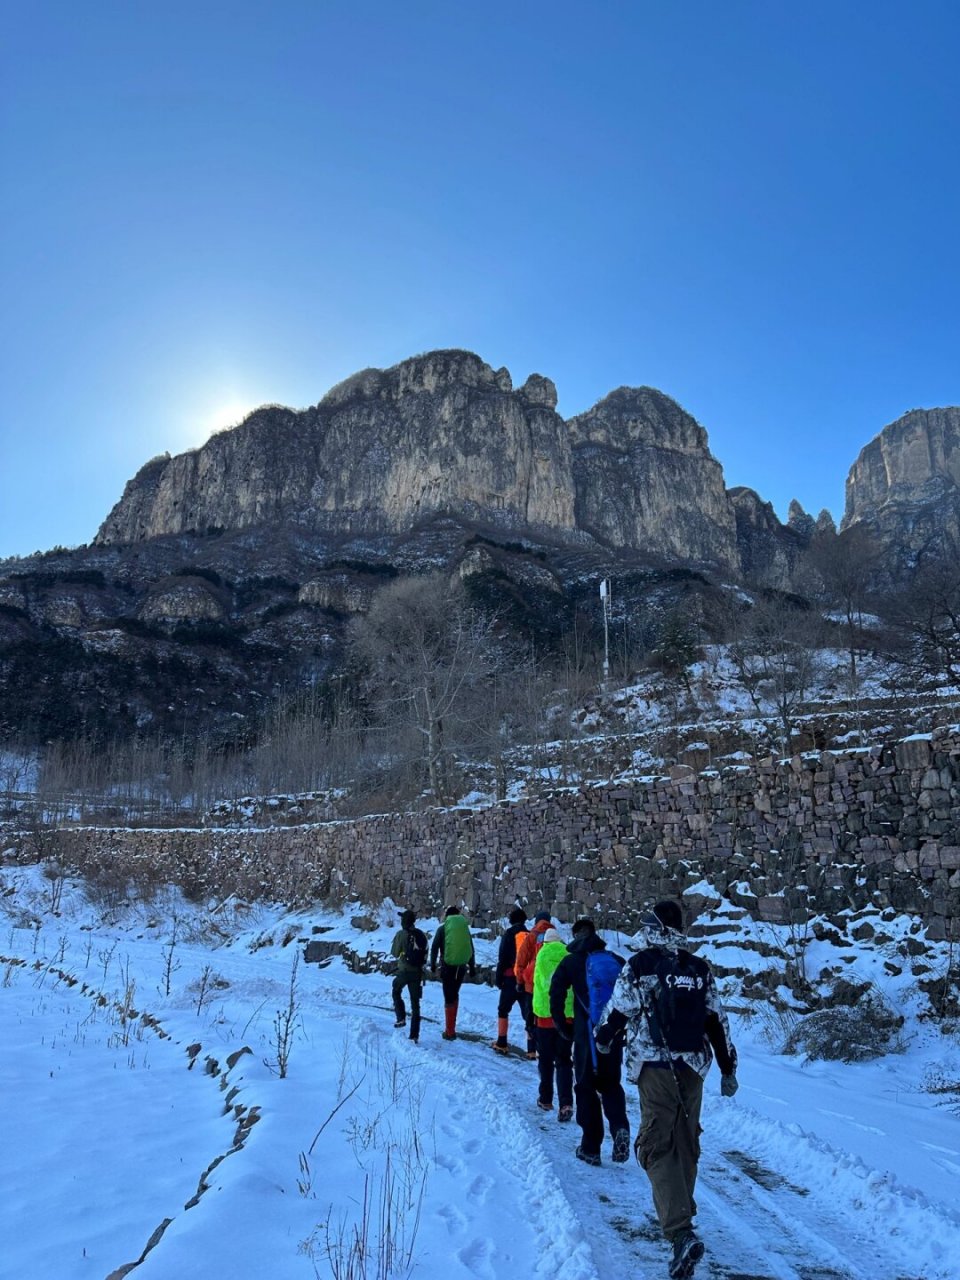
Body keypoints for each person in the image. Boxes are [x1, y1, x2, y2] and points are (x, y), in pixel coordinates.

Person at [595, 899, 739, 1280]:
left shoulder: (640, 966)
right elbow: (717, 1022)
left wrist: (604, 1038)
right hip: (693, 1067)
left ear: (651, 928)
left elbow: (619, 1011)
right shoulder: (698, 968)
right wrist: (727, 1069)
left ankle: (679, 1233)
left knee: (656, 1144)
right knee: (686, 1140)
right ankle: (682, 1213)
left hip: (654, 1065)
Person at [549, 917, 630, 1167]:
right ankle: (619, 1128)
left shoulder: (571, 961)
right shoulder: (616, 960)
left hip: (585, 1036)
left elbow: (556, 994)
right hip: (612, 1034)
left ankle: (590, 1147)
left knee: (585, 1087)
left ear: (575, 936)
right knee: (611, 1084)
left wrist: (563, 1027)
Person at [531, 927, 574, 1120]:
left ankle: (545, 1099)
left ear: (546, 941)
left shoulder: (541, 955)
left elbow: (534, 981)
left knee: (546, 1059)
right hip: (566, 1017)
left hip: (545, 1017)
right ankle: (566, 1103)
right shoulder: (568, 955)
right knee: (564, 1060)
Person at [491, 905, 534, 1055]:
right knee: (528, 1014)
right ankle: (532, 1049)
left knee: (503, 1009)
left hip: (510, 979)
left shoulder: (509, 934)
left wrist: (499, 977)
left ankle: (501, 1042)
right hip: (526, 980)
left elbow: (502, 957)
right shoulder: (530, 935)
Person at [430, 905, 476, 1040]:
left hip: (447, 966)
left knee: (448, 996)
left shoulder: (442, 929)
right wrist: (472, 966)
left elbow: (434, 948)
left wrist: (432, 964)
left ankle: (450, 1032)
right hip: (461, 966)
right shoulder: (464, 930)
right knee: (454, 993)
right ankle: (451, 1028)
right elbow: (471, 948)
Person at [514, 909, 553, 1058]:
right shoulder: (555, 938)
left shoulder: (531, 937)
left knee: (531, 1016)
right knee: (547, 1016)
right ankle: (547, 1050)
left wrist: (519, 981)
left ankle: (531, 1050)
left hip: (531, 984)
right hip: (549, 984)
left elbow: (521, 961)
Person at [390, 908, 428, 1043]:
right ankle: (414, 1035)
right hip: (417, 973)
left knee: (396, 991)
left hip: (403, 972)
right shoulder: (421, 935)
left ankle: (401, 1017)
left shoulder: (401, 934)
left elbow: (394, 952)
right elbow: (425, 954)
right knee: (415, 1004)